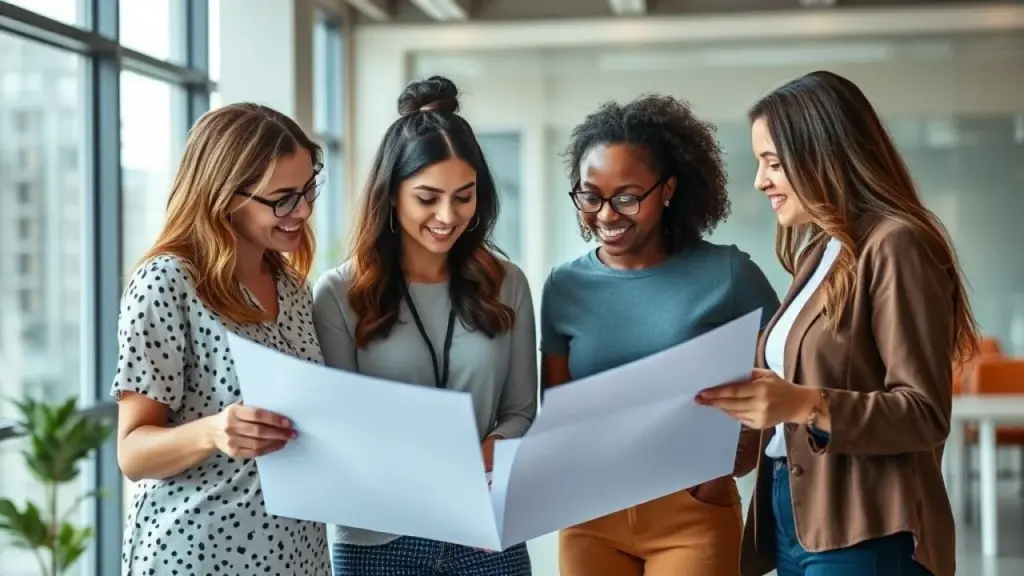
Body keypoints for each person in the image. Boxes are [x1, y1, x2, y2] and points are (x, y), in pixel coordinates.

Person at [697, 70, 979, 576]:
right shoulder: (820, 252)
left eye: (774, 163)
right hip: (794, 514)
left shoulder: (896, 244)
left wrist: (802, 401)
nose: (761, 180)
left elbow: (923, 411)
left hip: (867, 522)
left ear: (822, 156)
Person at [540, 94, 781, 576]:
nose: (606, 215)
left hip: (690, 512)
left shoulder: (728, 275)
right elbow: (558, 403)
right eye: (590, 196)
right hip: (590, 514)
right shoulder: (564, 286)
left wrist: (739, 458)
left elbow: (785, 365)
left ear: (667, 190)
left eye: (627, 196)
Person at [311, 75, 536, 576]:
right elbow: (341, 426)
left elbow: (521, 410)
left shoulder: (508, 284)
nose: (447, 215)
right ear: (392, 195)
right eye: (427, 197)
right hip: (378, 539)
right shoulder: (339, 293)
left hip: (483, 532)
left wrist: (476, 463)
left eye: (464, 196)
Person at [111, 103, 331, 574]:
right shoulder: (167, 282)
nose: (304, 210)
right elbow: (132, 453)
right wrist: (213, 431)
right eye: (283, 198)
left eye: (309, 188)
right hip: (197, 555)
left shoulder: (293, 288)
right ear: (225, 196)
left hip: (296, 557)